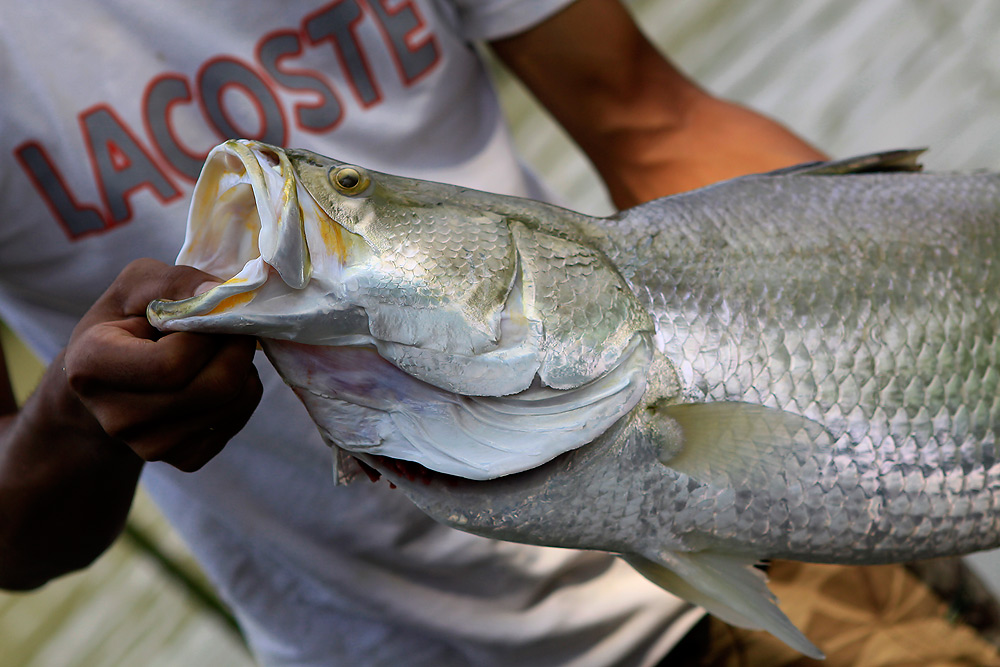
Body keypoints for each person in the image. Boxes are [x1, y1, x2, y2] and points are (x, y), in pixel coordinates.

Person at [0, 1, 828, 664]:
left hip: (773, 524)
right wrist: (77, 422)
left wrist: (893, 313)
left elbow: (654, 120)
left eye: (347, 190)